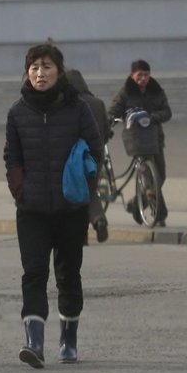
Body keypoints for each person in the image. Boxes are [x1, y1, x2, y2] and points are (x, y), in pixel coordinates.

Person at [3, 42, 102, 367]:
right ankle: (34, 343)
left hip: (70, 208)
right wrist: (19, 187)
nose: (39, 73)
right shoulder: (18, 112)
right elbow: (12, 156)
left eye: (46, 66)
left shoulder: (77, 109)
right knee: (33, 273)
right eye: (34, 67)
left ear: (59, 71)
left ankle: (68, 339)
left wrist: (84, 186)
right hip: (31, 210)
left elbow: (95, 150)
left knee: (68, 274)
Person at [108, 58, 172, 226]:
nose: (143, 78)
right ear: (132, 75)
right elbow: (114, 109)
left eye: (146, 75)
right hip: (136, 139)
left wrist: (153, 117)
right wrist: (110, 120)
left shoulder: (156, 90)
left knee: (160, 175)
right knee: (149, 177)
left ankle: (136, 202)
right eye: (139, 75)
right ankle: (159, 215)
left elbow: (167, 112)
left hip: (155, 138)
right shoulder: (125, 92)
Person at [65, 69, 110, 243]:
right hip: (95, 156)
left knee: (76, 194)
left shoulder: (68, 104)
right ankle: (99, 219)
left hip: (74, 157)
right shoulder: (98, 103)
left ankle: (82, 235)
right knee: (91, 191)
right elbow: (105, 131)